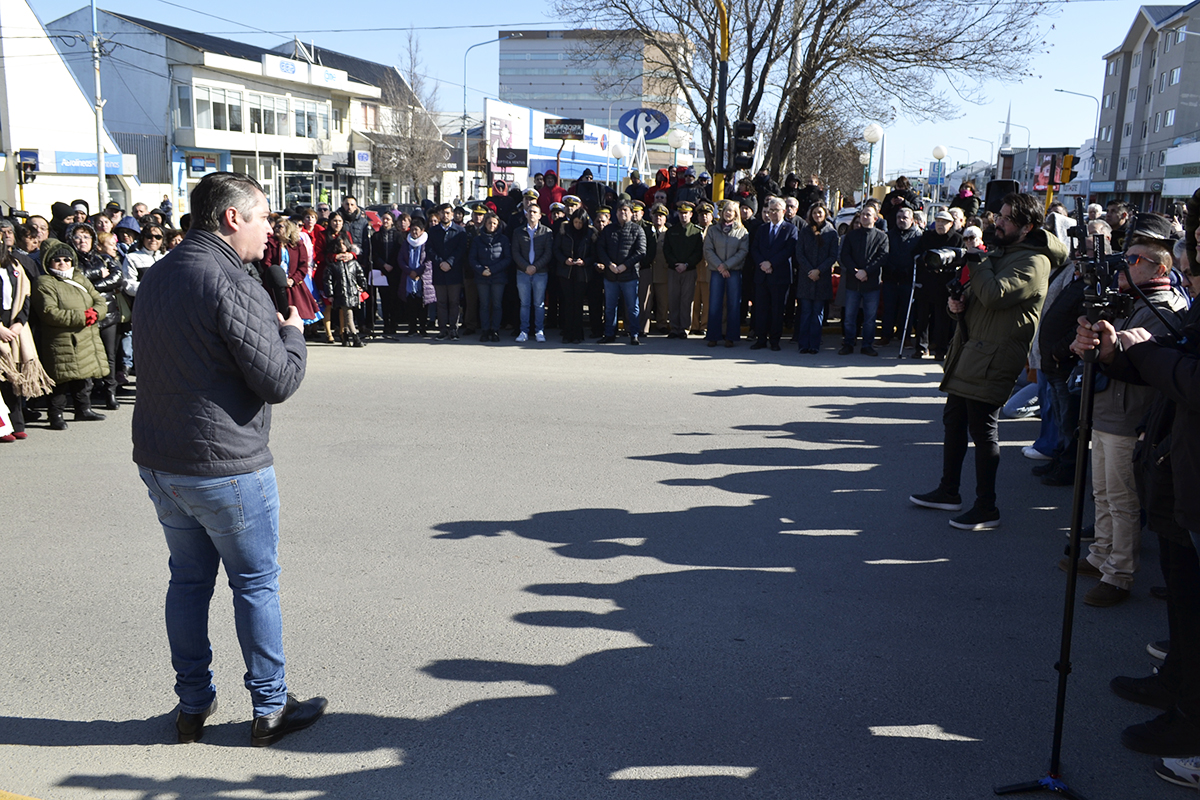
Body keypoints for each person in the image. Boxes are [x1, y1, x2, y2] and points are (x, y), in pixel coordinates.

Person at [132, 171, 325, 747]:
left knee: (188, 583)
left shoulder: (160, 272)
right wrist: (292, 332)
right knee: (255, 584)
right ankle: (269, 707)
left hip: (163, 459)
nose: (271, 230)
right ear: (231, 217)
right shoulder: (231, 281)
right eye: (264, 217)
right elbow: (279, 380)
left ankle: (192, 706)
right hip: (226, 466)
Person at [910, 193, 1063, 530]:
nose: (999, 222)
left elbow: (995, 294)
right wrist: (958, 306)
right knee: (954, 420)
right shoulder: (1002, 252)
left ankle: (986, 506)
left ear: (1027, 227)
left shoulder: (1035, 261)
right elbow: (979, 297)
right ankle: (948, 490)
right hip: (973, 348)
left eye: (1008, 218)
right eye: (1001, 216)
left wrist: (976, 262)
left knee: (983, 430)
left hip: (996, 355)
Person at [1061, 215, 1188, 607]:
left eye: (1133, 260)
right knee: (1102, 493)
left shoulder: (1163, 307)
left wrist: (1112, 347)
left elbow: (1149, 368)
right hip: (1106, 411)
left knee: (1122, 500)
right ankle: (1100, 555)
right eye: (1124, 258)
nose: (1123, 266)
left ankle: (1119, 573)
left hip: (1129, 417)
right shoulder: (1130, 302)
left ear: (1160, 267)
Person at [32, 240, 110, 429]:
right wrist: (82, 317)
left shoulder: (80, 278)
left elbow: (99, 300)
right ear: (47, 262)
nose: (62, 263)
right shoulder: (44, 283)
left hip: (85, 336)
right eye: (57, 260)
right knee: (60, 378)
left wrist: (95, 314)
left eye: (66, 259)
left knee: (83, 377)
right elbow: (49, 313)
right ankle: (55, 414)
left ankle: (83, 409)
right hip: (62, 340)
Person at [0, 239, 52, 441]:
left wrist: (20, 322)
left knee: (14, 377)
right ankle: (3, 427)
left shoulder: (14, 265)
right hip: (1, 328)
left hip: (14, 326)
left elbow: (25, 295)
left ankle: (16, 423)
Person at [69, 222, 124, 410]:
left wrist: (92, 286)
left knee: (109, 355)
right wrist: (99, 276)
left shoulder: (104, 259)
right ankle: (86, 396)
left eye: (86, 237)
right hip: (84, 315)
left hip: (108, 314)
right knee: (86, 356)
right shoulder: (69, 260)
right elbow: (75, 278)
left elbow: (117, 278)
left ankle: (110, 392)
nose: (82, 241)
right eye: (78, 237)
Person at [837, 205, 889, 356]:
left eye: (868, 215)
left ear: (875, 218)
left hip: (871, 283)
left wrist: (866, 271)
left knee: (870, 318)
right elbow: (845, 255)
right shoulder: (851, 235)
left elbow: (882, 257)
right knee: (849, 317)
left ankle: (867, 345)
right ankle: (848, 343)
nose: (865, 217)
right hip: (853, 282)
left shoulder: (882, 237)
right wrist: (855, 271)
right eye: (863, 214)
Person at [748, 197, 797, 352]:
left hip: (779, 275)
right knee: (761, 309)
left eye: (776, 210)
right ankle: (761, 339)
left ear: (783, 211)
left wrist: (771, 263)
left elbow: (789, 250)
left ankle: (774, 340)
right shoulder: (762, 229)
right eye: (770, 210)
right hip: (762, 275)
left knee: (777, 310)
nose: (772, 213)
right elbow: (754, 248)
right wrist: (762, 263)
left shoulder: (790, 229)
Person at [596, 201, 645, 345]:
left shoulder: (637, 230)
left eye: (625, 210)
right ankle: (609, 334)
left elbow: (641, 251)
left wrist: (625, 265)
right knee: (610, 307)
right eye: (619, 210)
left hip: (629, 275)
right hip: (611, 275)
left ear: (631, 212)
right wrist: (609, 264)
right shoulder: (608, 229)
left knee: (632, 307)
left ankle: (634, 334)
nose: (622, 213)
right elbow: (600, 248)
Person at [703, 199, 749, 348]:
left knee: (733, 304)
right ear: (722, 213)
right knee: (715, 303)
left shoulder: (742, 231)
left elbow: (743, 251)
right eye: (726, 210)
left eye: (731, 211)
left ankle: (731, 336)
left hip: (733, 271)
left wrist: (727, 265)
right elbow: (708, 250)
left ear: (736, 214)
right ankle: (713, 336)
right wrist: (720, 266)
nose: (728, 213)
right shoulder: (712, 230)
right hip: (717, 271)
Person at [793, 202, 838, 354]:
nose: (817, 215)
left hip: (822, 278)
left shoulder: (831, 232)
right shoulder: (805, 231)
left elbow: (833, 256)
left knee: (818, 313)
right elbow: (799, 253)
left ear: (825, 213)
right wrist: (810, 270)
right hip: (806, 278)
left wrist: (819, 270)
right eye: (814, 213)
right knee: (805, 312)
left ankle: (815, 344)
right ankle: (803, 344)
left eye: (820, 212)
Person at [511, 204, 554, 343]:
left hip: (540, 272)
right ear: (526, 214)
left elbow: (548, 253)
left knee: (539, 304)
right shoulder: (518, 232)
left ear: (540, 215)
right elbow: (515, 252)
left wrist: (535, 266)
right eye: (530, 211)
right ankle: (524, 331)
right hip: (523, 272)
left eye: (535, 212)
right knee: (524, 303)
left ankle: (539, 331)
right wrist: (526, 267)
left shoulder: (546, 232)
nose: (532, 214)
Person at [879, 206, 921, 347]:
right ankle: (886, 335)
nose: (901, 220)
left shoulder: (918, 236)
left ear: (912, 220)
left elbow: (918, 257)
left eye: (905, 218)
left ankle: (905, 336)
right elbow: (884, 254)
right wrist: (891, 268)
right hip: (891, 277)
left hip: (908, 279)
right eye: (899, 217)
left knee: (907, 309)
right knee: (889, 309)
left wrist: (906, 269)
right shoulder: (889, 235)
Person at [427, 204, 468, 341]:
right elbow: (430, 250)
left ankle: (453, 329)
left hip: (454, 271)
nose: (445, 215)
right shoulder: (433, 231)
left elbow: (461, 250)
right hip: (439, 271)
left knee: (454, 302)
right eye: (443, 213)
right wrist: (440, 262)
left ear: (452, 214)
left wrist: (449, 262)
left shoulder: (460, 231)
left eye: (448, 213)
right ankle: (442, 329)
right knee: (441, 302)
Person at [663, 201, 703, 338]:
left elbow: (698, 252)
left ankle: (684, 328)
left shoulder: (697, 232)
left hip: (689, 270)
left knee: (687, 300)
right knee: (674, 299)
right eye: (681, 213)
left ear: (691, 215)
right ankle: (674, 327)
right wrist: (675, 264)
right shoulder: (672, 231)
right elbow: (666, 250)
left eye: (686, 213)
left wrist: (686, 264)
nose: (683, 216)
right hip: (673, 270)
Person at [470, 211, 511, 343]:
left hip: (498, 276)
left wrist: (493, 270)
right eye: (489, 223)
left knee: (497, 305)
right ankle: (485, 330)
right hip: (482, 276)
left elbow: (507, 258)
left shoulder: (503, 239)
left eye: (494, 223)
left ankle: (495, 330)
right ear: (485, 224)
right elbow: (472, 258)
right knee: (484, 305)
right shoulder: (477, 239)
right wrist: (481, 270)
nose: (491, 225)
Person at [554, 208, 593, 344]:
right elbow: (556, 249)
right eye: (575, 222)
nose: (577, 225)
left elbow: (594, 254)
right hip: (566, 272)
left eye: (580, 223)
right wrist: (564, 260)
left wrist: (585, 262)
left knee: (578, 303)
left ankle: (578, 333)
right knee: (568, 302)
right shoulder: (564, 232)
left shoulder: (590, 234)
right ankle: (567, 333)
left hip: (582, 273)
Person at [323, 236, 368, 348]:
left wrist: (363, 286)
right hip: (340, 293)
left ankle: (346, 337)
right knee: (348, 314)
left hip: (352, 292)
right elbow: (327, 280)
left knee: (348, 314)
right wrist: (330, 294)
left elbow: (360, 275)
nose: (342, 247)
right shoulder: (333, 265)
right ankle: (355, 336)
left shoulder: (353, 263)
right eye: (339, 244)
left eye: (344, 244)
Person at [401, 216, 434, 337]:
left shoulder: (427, 243)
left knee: (423, 305)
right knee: (411, 305)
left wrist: (419, 272)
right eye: (413, 229)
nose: (414, 232)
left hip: (422, 279)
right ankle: (412, 328)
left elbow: (429, 261)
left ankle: (423, 328)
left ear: (422, 231)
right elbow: (401, 259)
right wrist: (409, 271)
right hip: (409, 278)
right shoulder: (406, 243)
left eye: (417, 230)